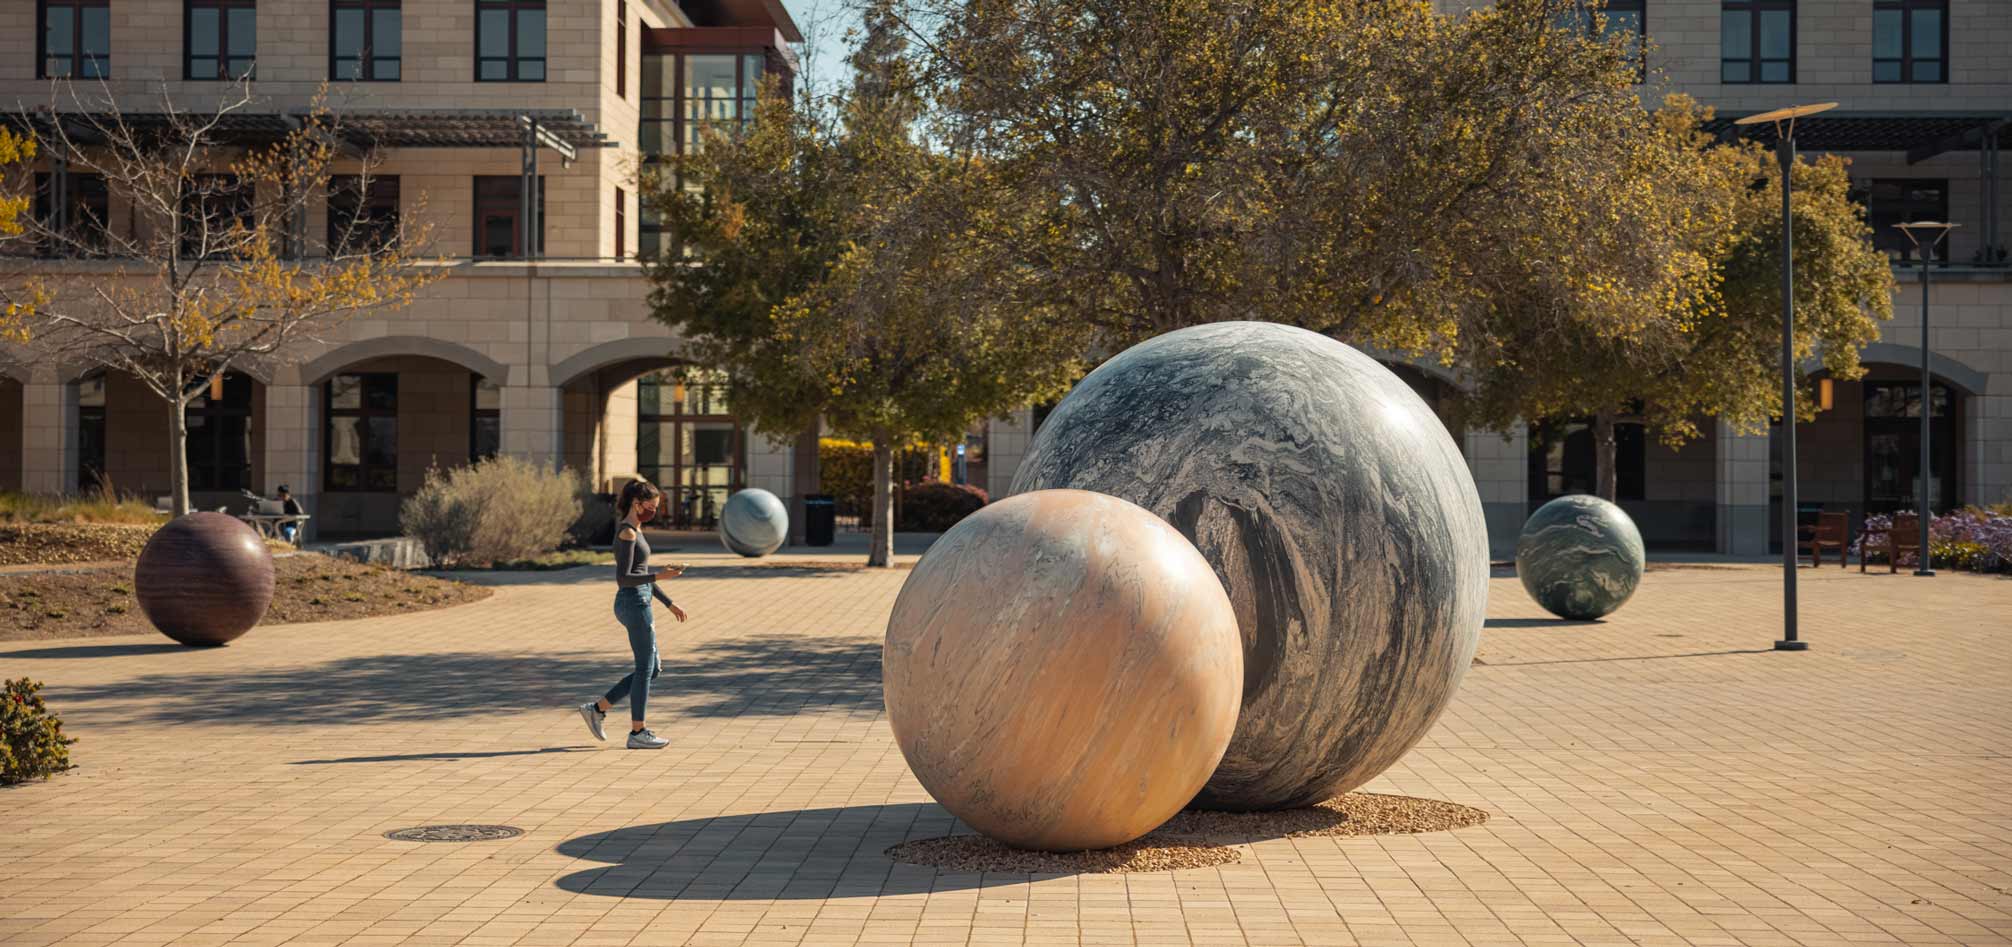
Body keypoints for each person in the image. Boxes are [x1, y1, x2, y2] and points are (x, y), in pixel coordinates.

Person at [579, 479, 687, 749]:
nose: (654, 512)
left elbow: (641, 576)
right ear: (636, 504)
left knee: (652, 669)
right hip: (633, 603)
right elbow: (625, 578)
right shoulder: (627, 533)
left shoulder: (636, 530)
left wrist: (668, 603)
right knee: (645, 668)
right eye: (651, 506)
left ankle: (597, 708)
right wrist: (661, 574)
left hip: (640, 600)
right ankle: (637, 732)